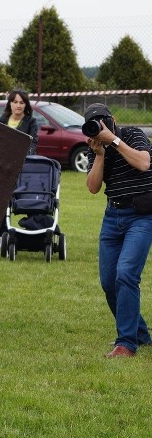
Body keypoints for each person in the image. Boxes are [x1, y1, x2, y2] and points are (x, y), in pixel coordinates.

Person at [85, 103, 152, 358]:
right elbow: (92, 188)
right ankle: (141, 335)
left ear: (112, 120)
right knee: (109, 282)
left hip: (141, 217)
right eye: (93, 124)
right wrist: (100, 154)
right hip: (113, 217)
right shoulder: (96, 148)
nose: (98, 127)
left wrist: (113, 141)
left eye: (102, 121)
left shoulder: (132, 134)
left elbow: (144, 163)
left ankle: (126, 343)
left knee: (125, 274)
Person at [0, 89, 39, 155]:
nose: (18, 106)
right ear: (10, 103)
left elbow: (33, 144)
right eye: (15, 102)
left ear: (26, 105)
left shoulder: (31, 122)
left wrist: (26, 156)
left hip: (24, 161)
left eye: (21, 103)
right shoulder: (3, 120)